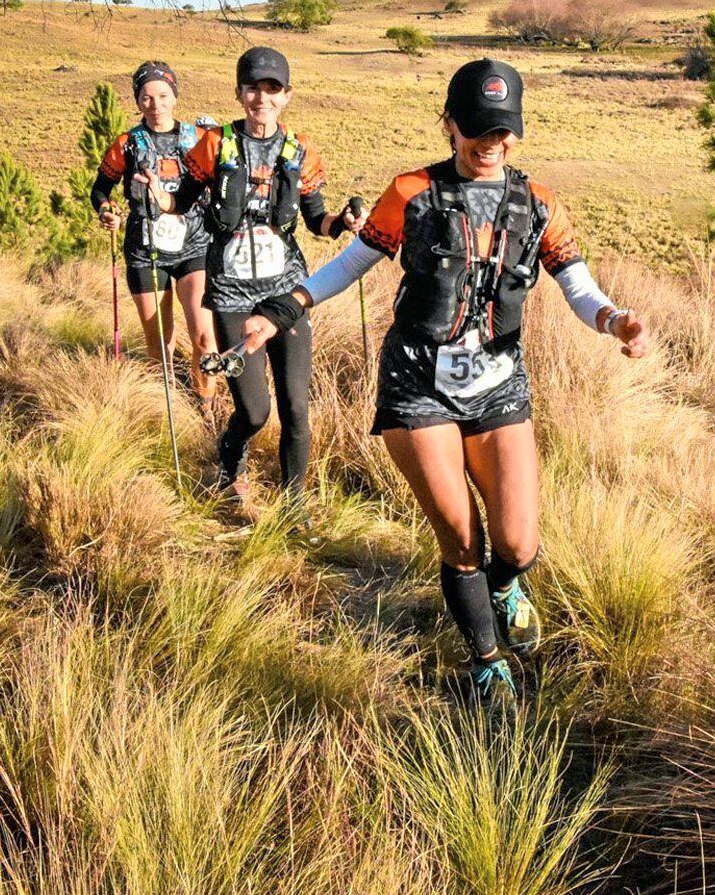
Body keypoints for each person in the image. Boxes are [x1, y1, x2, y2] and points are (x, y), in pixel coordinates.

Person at [238, 57, 649, 710]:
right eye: (479, 130)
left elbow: (576, 283)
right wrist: (282, 309)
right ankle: (488, 664)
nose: (493, 144)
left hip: (498, 382)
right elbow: (348, 265)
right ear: (451, 123)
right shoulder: (410, 194)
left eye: (505, 131)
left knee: (517, 542)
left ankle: (508, 586)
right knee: (461, 535)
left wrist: (614, 319)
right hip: (416, 381)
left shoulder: (537, 204)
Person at [178, 46, 364, 502]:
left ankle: (294, 508)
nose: (262, 97)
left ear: (286, 96)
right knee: (256, 410)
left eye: (272, 89)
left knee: (298, 409)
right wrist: (143, 201)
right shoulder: (215, 144)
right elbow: (179, 202)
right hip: (231, 297)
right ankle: (230, 457)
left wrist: (342, 221)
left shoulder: (300, 152)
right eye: (253, 88)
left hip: (286, 295)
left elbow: (316, 219)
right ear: (239, 93)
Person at [91, 61, 224, 397]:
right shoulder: (127, 144)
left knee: (204, 337)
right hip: (145, 251)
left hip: (194, 246)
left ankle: (207, 407)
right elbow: (100, 189)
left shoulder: (198, 139)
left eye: (163, 95)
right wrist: (107, 210)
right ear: (137, 101)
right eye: (146, 97)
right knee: (158, 346)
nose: (156, 105)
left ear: (175, 97)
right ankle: (165, 411)